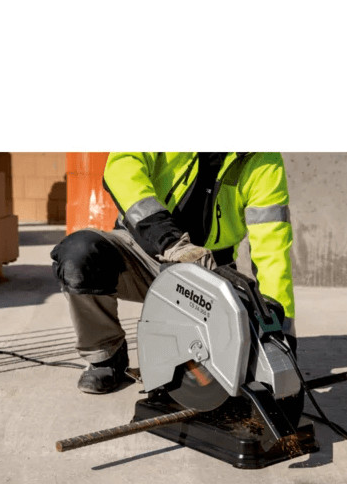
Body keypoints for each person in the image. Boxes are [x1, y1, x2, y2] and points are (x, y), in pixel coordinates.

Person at [51, 152, 296, 394]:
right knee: (79, 256)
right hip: (141, 252)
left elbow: (272, 252)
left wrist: (280, 338)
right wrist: (167, 240)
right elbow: (121, 169)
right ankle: (106, 356)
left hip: (209, 268)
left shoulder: (263, 159)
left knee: (233, 350)